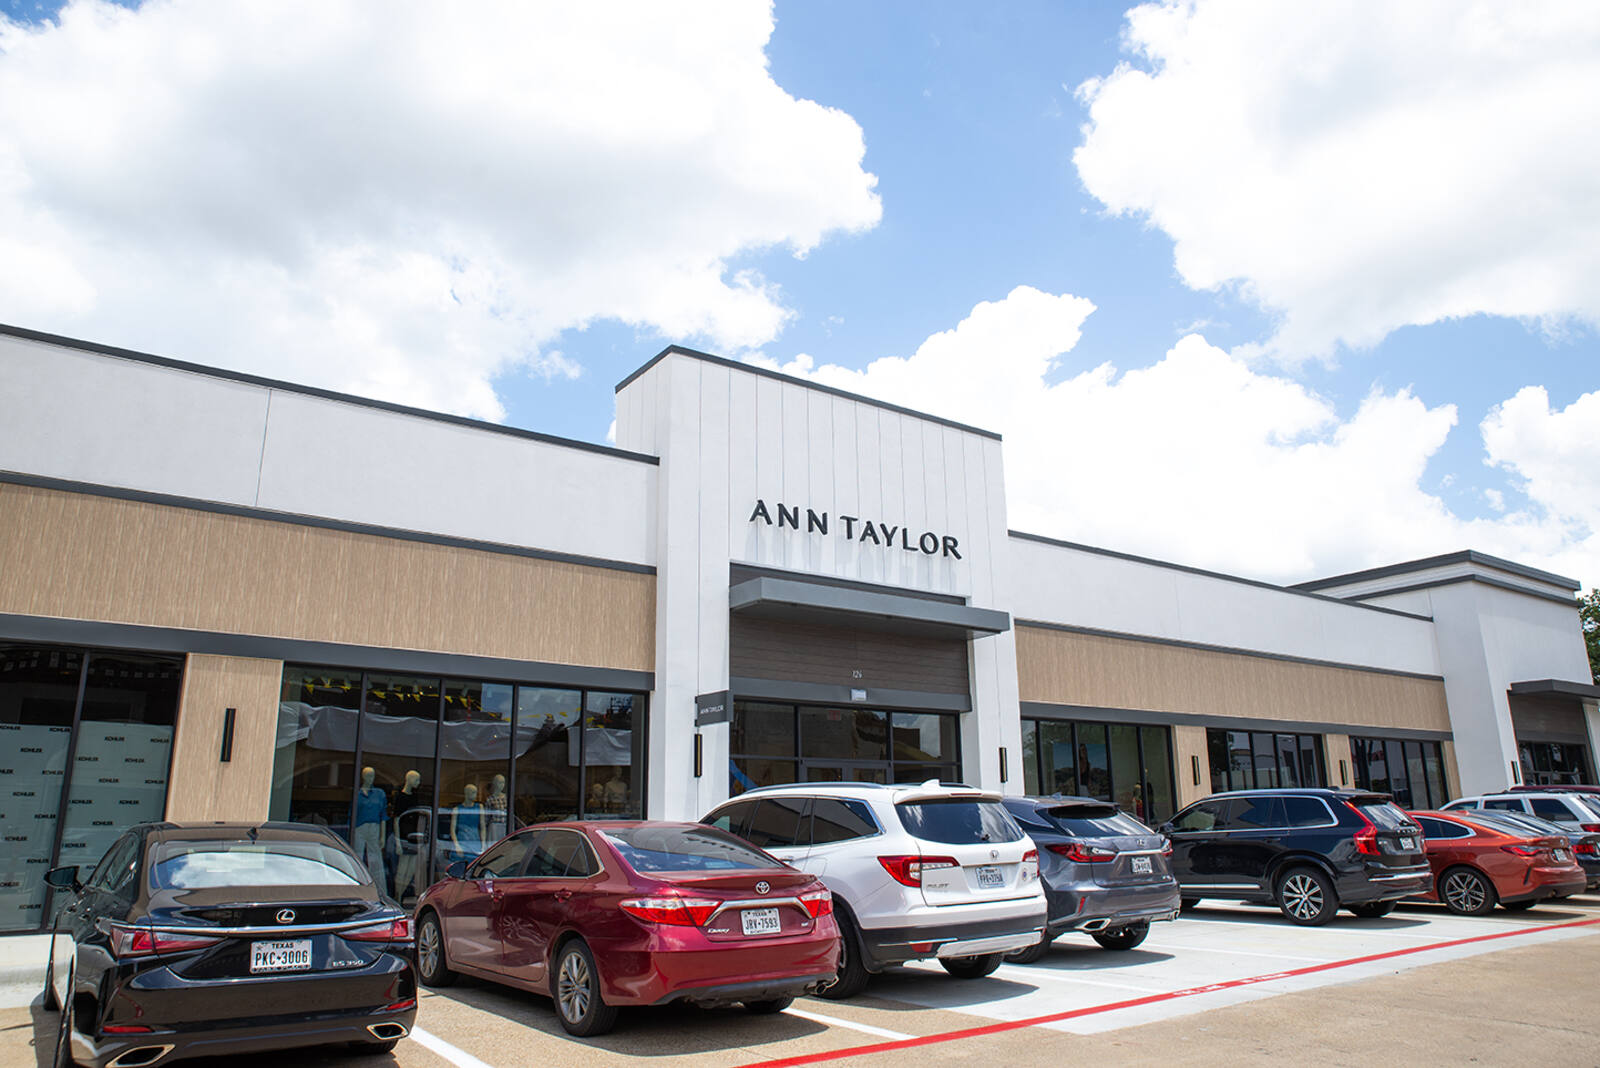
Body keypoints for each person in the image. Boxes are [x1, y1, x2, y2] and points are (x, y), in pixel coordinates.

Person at [352, 766, 387, 886]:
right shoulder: (357, 794)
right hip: (359, 828)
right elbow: (352, 815)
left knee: (376, 860)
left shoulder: (379, 794)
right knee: (357, 857)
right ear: (363, 777)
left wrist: (383, 836)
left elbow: (383, 815)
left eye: (372, 775)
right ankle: (358, 885)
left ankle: (379, 888)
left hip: (374, 828)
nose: (370, 778)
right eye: (367, 775)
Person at [449, 783, 486, 865]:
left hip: (475, 842)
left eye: (476, 792)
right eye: (473, 792)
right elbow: (452, 830)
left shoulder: (479, 807)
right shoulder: (456, 809)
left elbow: (483, 827)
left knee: (473, 867)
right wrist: (457, 845)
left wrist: (483, 845)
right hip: (462, 841)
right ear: (467, 793)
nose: (475, 795)